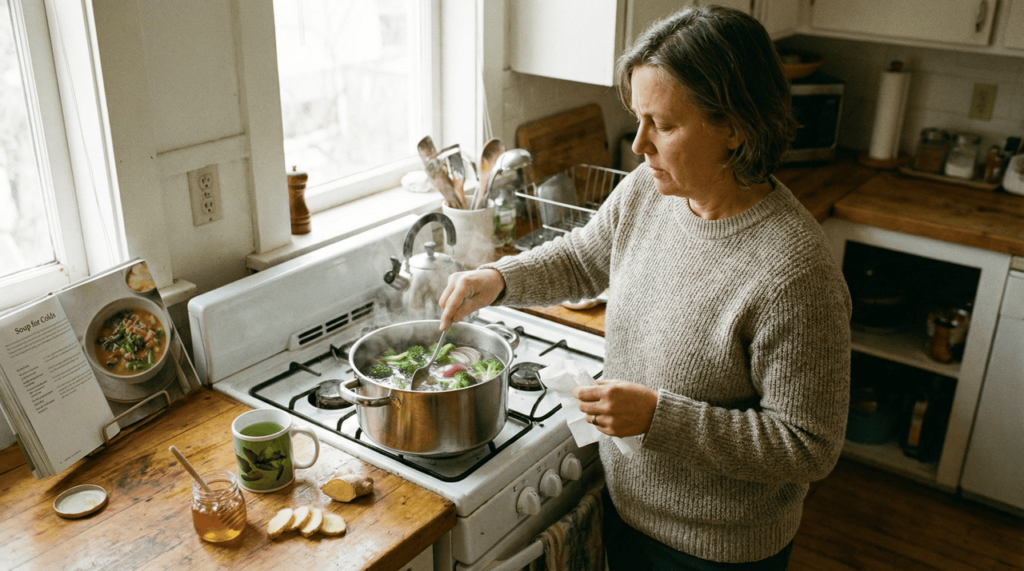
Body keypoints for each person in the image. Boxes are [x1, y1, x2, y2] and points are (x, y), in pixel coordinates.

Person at [439, 5, 851, 570]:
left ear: (735, 127)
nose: (637, 144)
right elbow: (586, 257)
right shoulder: (650, 192)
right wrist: (499, 278)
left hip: (719, 552)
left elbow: (807, 444)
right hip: (626, 508)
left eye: (664, 124)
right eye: (638, 118)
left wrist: (659, 418)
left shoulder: (795, 272)